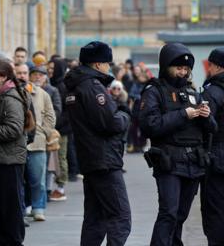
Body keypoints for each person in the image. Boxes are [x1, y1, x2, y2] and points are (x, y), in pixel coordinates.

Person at [139, 43, 216, 246]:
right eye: (178, 68)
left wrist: (206, 116)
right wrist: (184, 114)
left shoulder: (193, 92)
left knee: (181, 215)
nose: (182, 73)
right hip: (169, 162)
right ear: (166, 67)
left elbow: (212, 128)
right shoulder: (153, 91)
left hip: (193, 162)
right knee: (169, 213)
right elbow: (150, 125)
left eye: (185, 69)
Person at [64, 41, 131, 246]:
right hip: (104, 160)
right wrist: (124, 114)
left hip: (91, 158)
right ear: (97, 65)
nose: (109, 67)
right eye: (107, 63)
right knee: (121, 217)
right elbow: (109, 123)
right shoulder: (92, 87)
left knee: (96, 218)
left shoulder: (77, 85)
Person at [0, 60, 30, 246]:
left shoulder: (10, 98)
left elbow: (14, 129)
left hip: (9, 161)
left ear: (3, 77)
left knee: (9, 210)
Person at [17, 63, 56, 222]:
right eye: (19, 73)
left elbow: (50, 116)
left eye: (24, 73)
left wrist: (43, 132)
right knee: (19, 180)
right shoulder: (11, 93)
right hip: (17, 143)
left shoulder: (42, 94)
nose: (22, 76)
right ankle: (23, 208)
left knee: (37, 179)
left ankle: (38, 208)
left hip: (37, 144)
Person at [201, 47, 224, 245]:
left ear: (215, 66)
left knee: (214, 211)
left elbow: (205, 124)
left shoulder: (213, 92)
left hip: (217, 159)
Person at [48, 58, 71, 201]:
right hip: (54, 127)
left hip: (61, 129)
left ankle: (60, 188)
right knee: (53, 159)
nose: (50, 70)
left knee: (61, 157)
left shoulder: (62, 86)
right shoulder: (53, 83)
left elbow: (65, 111)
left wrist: (55, 125)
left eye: (52, 68)